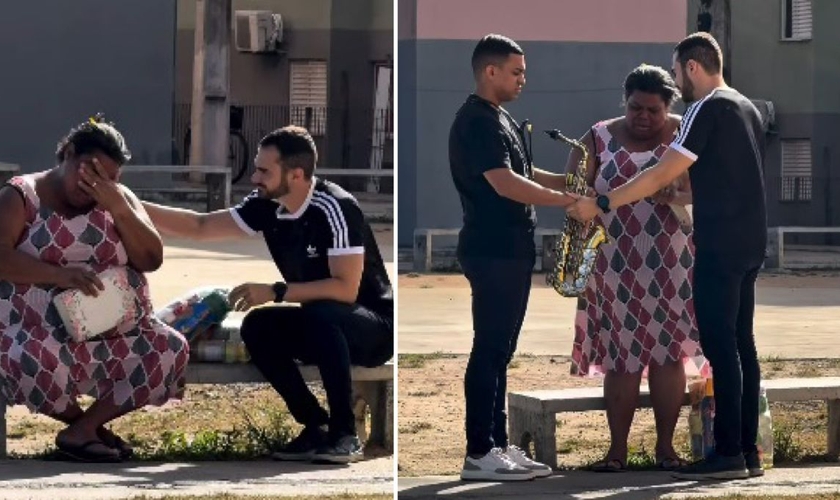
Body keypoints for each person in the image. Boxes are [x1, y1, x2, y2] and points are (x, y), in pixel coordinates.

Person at [567, 32, 767, 481]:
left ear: (691, 67)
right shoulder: (747, 105)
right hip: (751, 242)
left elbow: (663, 171)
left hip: (717, 245)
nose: (678, 79)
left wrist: (603, 203)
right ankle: (748, 452)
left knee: (721, 347)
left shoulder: (706, 108)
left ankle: (729, 453)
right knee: (743, 348)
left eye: (677, 71)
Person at [141, 125, 393, 464]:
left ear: (297, 174)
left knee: (322, 312)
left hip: (372, 329)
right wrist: (126, 203)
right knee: (257, 326)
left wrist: (275, 291)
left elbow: (345, 290)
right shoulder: (266, 205)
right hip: (323, 326)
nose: (254, 178)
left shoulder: (335, 207)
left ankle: (344, 435)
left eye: (264, 171)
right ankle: (315, 426)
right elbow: (198, 227)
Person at [0, 115, 190, 463]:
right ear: (68, 154)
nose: (95, 185)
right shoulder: (20, 197)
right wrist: (59, 276)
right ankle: (85, 430)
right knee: (21, 358)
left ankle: (84, 431)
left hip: (111, 337)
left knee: (169, 350)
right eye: (90, 171)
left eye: (110, 178)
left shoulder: (117, 200)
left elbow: (151, 258)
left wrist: (118, 205)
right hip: (35, 335)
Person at [565, 64, 709, 473]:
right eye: (635, 108)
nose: (643, 117)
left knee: (668, 355)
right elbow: (574, 190)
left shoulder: (687, 133)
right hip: (615, 265)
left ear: (669, 108)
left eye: (653, 110)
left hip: (673, 263)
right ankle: (617, 451)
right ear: (624, 102)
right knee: (621, 358)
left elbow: (712, 184)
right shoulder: (597, 138)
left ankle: (666, 449)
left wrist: (677, 192)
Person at [449, 33, 574, 481]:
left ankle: (498, 445)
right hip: (492, 248)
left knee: (501, 351)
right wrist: (567, 204)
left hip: (509, 250)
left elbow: (524, 173)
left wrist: (567, 183)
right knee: (489, 349)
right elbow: (504, 183)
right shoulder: (477, 121)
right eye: (517, 71)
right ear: (491, 71)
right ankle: (479, 451)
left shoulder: (500, 118)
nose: (524, 79)